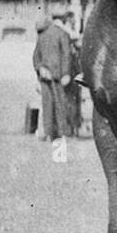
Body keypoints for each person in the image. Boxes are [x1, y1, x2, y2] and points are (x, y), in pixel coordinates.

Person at [33, 13, 74, 141]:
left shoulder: (42, 35)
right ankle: (61, 133)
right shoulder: (63, 34)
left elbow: (35, 57)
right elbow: (67, 55)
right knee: (60, 105)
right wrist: (66, 73)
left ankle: (48, 132)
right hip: (59, 76)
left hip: (45, 75)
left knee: (47, 105)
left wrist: (40, 69)